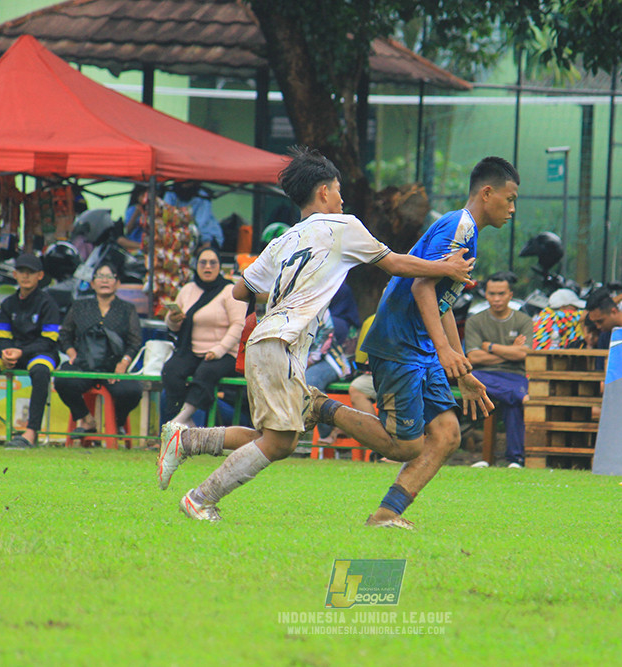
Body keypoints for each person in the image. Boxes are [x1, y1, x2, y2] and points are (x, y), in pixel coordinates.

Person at [155, 146, 475, 522]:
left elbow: (240, 291)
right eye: (339, 190)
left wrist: (285, 287)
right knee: (277, 442)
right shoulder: (344, 226)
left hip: (266, 339)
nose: (342, 198)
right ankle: (199, 498)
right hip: (283, 343)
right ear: (324, 191)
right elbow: (396, 264)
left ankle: (186, 439)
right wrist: (445, 267)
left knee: (280, 438)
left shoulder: (284, 241)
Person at [360, 157, 517, 528]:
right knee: (403, 445)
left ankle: (386, 515)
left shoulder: (468, 234)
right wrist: (444, 350)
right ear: (487, 193)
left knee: (447, 435)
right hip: (399, 342)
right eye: (509, 199)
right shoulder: (459, 226)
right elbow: (421, 286)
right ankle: (320, 407)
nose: (512, 209)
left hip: (420, 347)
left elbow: (441, 300)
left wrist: (459, 365)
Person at [0, 252, 61, 448]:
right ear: (15, 275)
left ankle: (30, 433)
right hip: (11, 353)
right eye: (21, 272)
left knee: (41, 371)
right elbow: (2, 336)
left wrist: (20, 352)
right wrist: (7, 352)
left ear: (40, 275)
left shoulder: (48, 303)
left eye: (31, 272)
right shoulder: (9, 303)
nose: (26, 276)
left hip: (41, 353)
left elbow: (49, 340)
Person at [53, 262, 142, 441]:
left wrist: (123, 363)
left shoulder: (127, 309)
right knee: (62, 380)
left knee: (132, 391)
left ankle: (118, 422)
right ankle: (86, 419)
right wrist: (71, 352)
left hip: (113, 366)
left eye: (110, 277)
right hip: (84, 364)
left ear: (117, 283)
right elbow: (64, 334)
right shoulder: (80, 306)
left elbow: (135, 342)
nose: (105, 281)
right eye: (100, 276)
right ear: (92, 283)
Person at [162, 247, 246, 426]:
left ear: (220, 267)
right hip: (190, 351)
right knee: (171, 370)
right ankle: (187, 422)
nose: (207, 267)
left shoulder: (229, 291)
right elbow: (172, 325)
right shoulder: (187, 290)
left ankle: (180, 419)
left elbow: (239, 325)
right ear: (196, 266)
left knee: (206, 372)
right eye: (203, 263)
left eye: (213, 263)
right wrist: (173, 319)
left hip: (225, 353)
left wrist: (219, 350)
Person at [465, 272, 536, 469]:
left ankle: (515, 460)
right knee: (475, 378)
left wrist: (489, 347)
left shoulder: (523, 320)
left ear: (510, 295)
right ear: (485, 294)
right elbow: (473, 358)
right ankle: (515, 459)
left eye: (501, 294)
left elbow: (525, 354)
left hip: (515, 376)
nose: (496, 299)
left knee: (512, 403)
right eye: (492, 293)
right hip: (485, 375)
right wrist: (510, 350)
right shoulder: (475, 321)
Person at [164, 181, 223, 250]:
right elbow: (166, 216)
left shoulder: (202, 196)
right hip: (178, 238)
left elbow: (201, 223)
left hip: (206, 238)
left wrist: (205, 245)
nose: (186, 185)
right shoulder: (171, 192)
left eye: (189, 182)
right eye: (183, 181)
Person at [116, 184, 146, 252]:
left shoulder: (152, 209)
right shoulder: (133, 209)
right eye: (142, 195)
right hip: (135, 245)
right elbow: (128, 230)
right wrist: (136, 214)